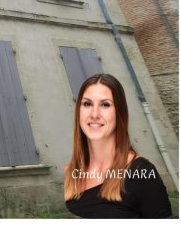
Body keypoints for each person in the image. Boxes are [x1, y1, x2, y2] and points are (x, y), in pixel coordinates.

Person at [64, 73, 172, 218]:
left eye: (105, 105)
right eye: (87, 104)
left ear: (119, 112)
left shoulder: (142, 173)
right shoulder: (72, 171)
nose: (94, 114)